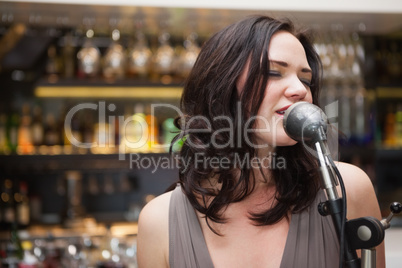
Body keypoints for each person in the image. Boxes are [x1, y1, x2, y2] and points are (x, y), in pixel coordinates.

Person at [137, 15, 385, 268]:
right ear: (221, 88)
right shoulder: (159, 221)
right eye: (274, 72)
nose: (300, 90)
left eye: (305, 79)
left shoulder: (349, 189)